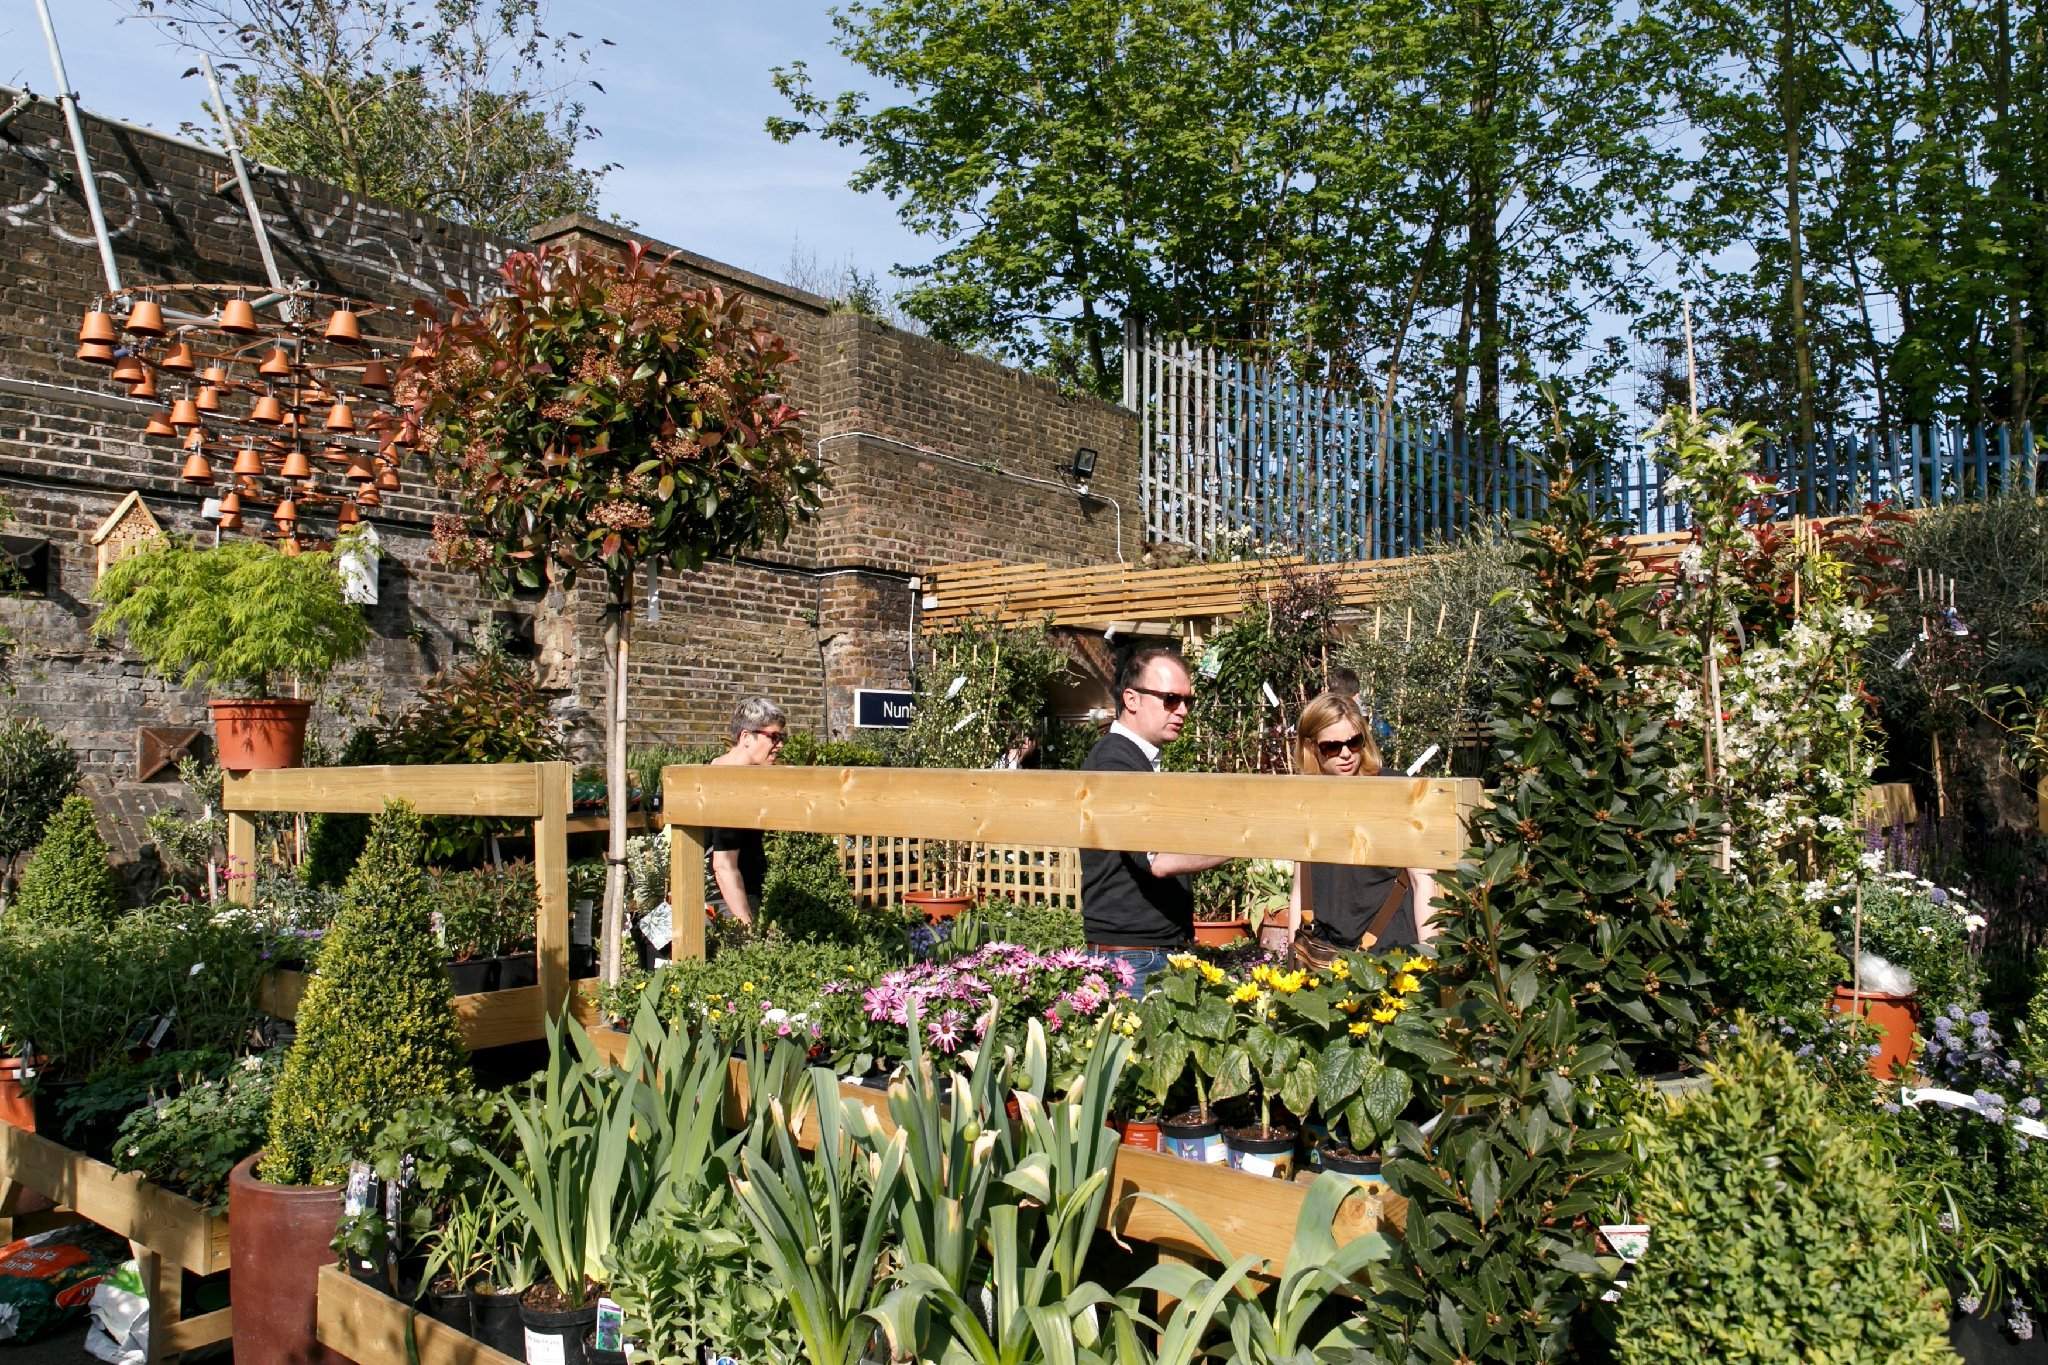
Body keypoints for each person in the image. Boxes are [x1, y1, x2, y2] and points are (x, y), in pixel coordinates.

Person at [1080, 647, 1231, 994]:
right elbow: (1157, 861)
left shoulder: (1134, 761)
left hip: (1143, 953)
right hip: (1136, 959)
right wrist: (1244, 842)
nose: (1182, 710)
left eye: (1187, 701)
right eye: (1170, 699)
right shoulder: (1116, 764)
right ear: (1131, 699)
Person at [1273, 691, 1436, 965]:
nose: (1346, 754)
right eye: (1332, 747)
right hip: (1325, 951)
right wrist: (1294, 964)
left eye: (1354, 742)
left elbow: (1424, 882)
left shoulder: (1397, 791)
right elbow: (1301, 887)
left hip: (1391, 948)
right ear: (1312, 747)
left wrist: (1432, 962)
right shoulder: (1306, 797)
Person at [707, 697, 786, 928]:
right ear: (746, 737)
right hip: (726, 903)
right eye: (774, 736)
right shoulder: (729, 787)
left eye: (782, 738)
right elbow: (723, 866)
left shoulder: (716, 769)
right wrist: (747, 927)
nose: (779, 745)